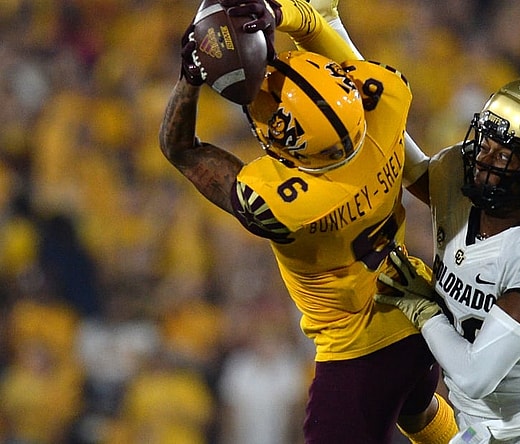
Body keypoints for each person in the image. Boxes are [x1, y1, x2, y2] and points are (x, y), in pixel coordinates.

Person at [158, 0, 458, 443]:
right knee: (419, 410)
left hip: (358, 347)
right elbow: (318, 24)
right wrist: (277, 15)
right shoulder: (385, 102)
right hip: (417, 306)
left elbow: (181, 149)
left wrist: (189, 80)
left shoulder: (288, 206)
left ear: (297, 153)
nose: (274, 72)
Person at [376, 73, 520, 443]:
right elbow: (382, 129)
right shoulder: (461, 189)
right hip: (478, 431)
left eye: (505, 154)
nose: (485, 159)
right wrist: (324, 30)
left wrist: (426, 312)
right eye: (487, 143)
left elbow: (476, 376)